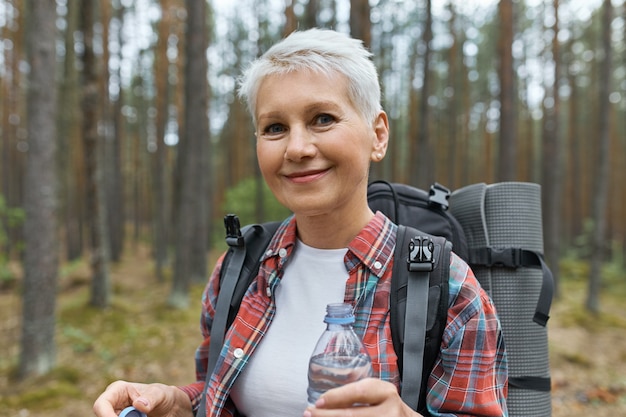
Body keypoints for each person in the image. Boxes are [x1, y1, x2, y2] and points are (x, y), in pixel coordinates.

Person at [93, 28, 508, 417]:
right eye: (274, 127)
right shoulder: (241, 269)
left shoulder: (446, 287)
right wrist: (178, 403)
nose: (297, 147)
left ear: (377, 135)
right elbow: (224, 394)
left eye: (322, 119)